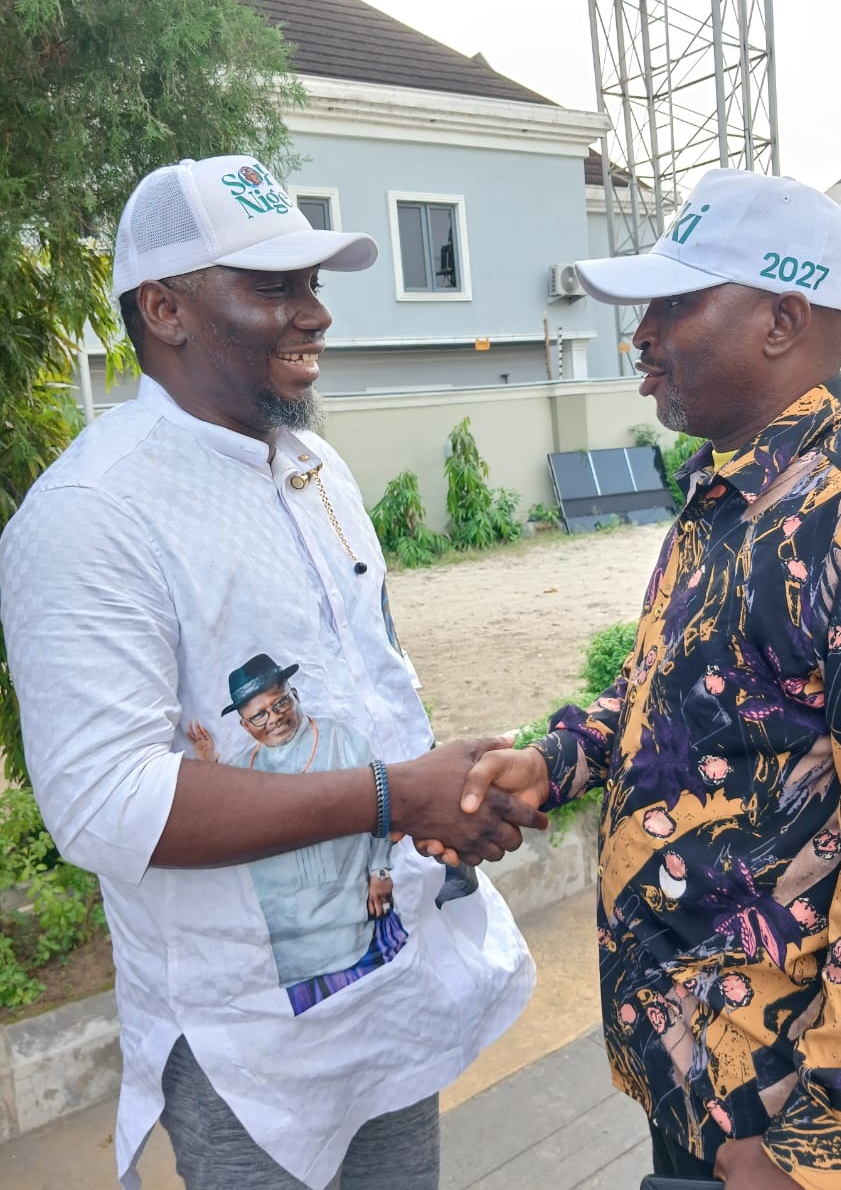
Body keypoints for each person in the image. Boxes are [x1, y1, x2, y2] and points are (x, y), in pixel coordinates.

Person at [0, 154, 547, 1190]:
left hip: (388, 992)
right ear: (165, 308)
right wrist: (395, 794)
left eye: (313, 282)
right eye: (273, 286)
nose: (315, 313)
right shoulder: (89, 516)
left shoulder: (313, 467)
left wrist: (448, 794)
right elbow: (104, 803)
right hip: (252, 1039)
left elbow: (369, 689)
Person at [457, 168, 841, 1190]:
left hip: (781, 1117)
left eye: (674, 304)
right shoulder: (731, 494)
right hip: (689, 1067)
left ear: (782, 320)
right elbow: (676, 691)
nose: (640, 336)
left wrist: (813, 1151)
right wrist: (556, 759)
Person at [191, 653, 402, 1012]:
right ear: (245, 726)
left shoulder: (342, 740)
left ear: (296, 695)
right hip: (293, 948)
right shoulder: (242, 772)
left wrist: (380, 870)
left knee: (380, 1011)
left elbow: (384, 804)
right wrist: (209, 769)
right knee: (321, 1032)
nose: (274, 718)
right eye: (259, 715)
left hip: (357, 920)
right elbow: (218, 827)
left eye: (280, 703)